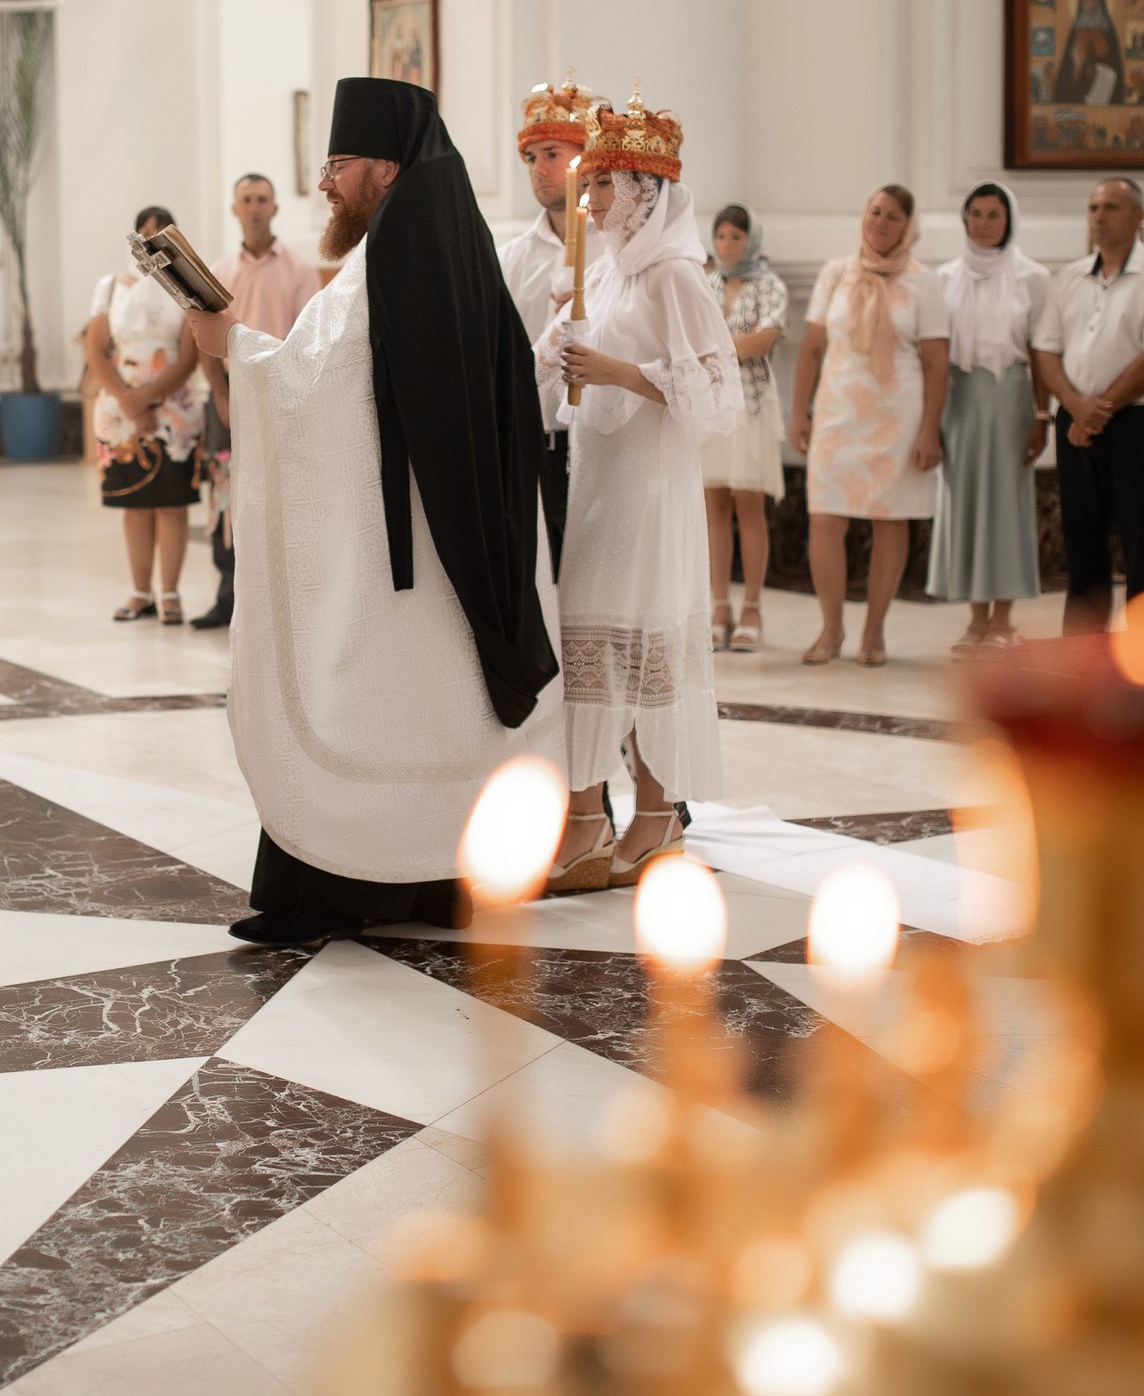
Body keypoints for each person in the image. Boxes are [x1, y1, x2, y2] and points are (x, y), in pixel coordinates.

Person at [188, 79, 561, 945]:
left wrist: (230, 343)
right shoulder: (459, 246)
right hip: (450, 547)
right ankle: (437, 882)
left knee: (360, 694)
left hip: (395, 553)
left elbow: (318, 389)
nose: (325, 182)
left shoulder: (385, 263)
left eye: (338, 164)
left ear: (385, 167)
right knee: (441, 705)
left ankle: (327, 888)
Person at [537, 92, 739, 893]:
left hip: (650, 488)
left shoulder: (674, 277)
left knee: (643, 633)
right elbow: (547, 355)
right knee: (590, 637)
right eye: (588, 188)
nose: (587, 202)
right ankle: (587, 818)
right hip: (599, 480)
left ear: (644, 190)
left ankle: (655, 816)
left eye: (601, 188)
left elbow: (721, 391)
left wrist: (620, 373)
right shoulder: (607, 274)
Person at [789, 185, 948, 667]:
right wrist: (799, 411)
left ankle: (874, 632)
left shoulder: (925, 282)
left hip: (897, 418)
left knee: (889, 521)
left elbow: (937, 364)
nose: (880, 222)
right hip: (837, 412)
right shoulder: (836, 272)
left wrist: (929, 432)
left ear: (909, 226)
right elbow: (811, 347)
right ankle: (831, 627)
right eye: (874, 212)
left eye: (893, 216)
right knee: (825, 518)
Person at [1031, 177, 1144, 634]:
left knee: (1141, 542)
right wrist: (1076, 408)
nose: (1099, 216)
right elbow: (1045, 351)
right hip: (1075, 421)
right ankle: (1083, 650)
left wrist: (1100, 410)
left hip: (1135, 422)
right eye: (1094, 207)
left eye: (1112, 207)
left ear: (1139, 217)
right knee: (1081, 539)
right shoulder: (1071, 276)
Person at [191, 174, 323, 631]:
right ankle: (227, 596)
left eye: (262, 199)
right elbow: (203, 341)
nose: (254, 207)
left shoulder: (300, 271)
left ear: (276, 207)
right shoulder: (219, 273)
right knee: (225, 497)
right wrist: (223, 394)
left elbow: (309, 341)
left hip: (280, 400)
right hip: (228, 399)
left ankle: (279, 598)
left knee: (279, 495)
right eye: (246, 200)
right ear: (234, 209)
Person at [927, 182, 1051, 655]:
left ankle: (1003, 619)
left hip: (1011, 400)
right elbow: (933, 354)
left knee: (1005, 505)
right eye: (974, 214)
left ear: (1009, 221)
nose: (982, 223)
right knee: (964, 505)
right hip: (959, 400)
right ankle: (974, 620)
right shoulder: (943, 277)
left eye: (993, 215)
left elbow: (1042, 353)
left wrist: (1043, 414)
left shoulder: (1032, 277)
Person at [499, 74, 603, 577]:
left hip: (601, 438)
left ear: (585, 161)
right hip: (533, 439)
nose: (539, 169)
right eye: (531, 157)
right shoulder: (511, 259)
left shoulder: (615, 250)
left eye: (553, 154)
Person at [87, 205, 207, 625]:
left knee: (172, 504)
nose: (151, 243)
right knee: (135, 505)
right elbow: (97, 349)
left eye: (162, 235)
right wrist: (128, 399)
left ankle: (170, 594)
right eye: (144, 235)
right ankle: (141, 593)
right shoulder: (109, 287)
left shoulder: (187, 284)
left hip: (173, 409)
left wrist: (150, 399)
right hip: (121, 412)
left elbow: (189, 356)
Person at [699, 205, 787, 653]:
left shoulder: (768, 285)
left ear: (751, 239)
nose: (727, 245)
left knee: (748, 504)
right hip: (710, 404)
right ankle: (719, 605)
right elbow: (691, 339)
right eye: (721, 237)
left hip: (750, 406)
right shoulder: (703, 283)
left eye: (736, 237)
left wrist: (722, 345)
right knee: (713, 504)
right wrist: (736, 343)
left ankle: (752, 606)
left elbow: (764, 340)